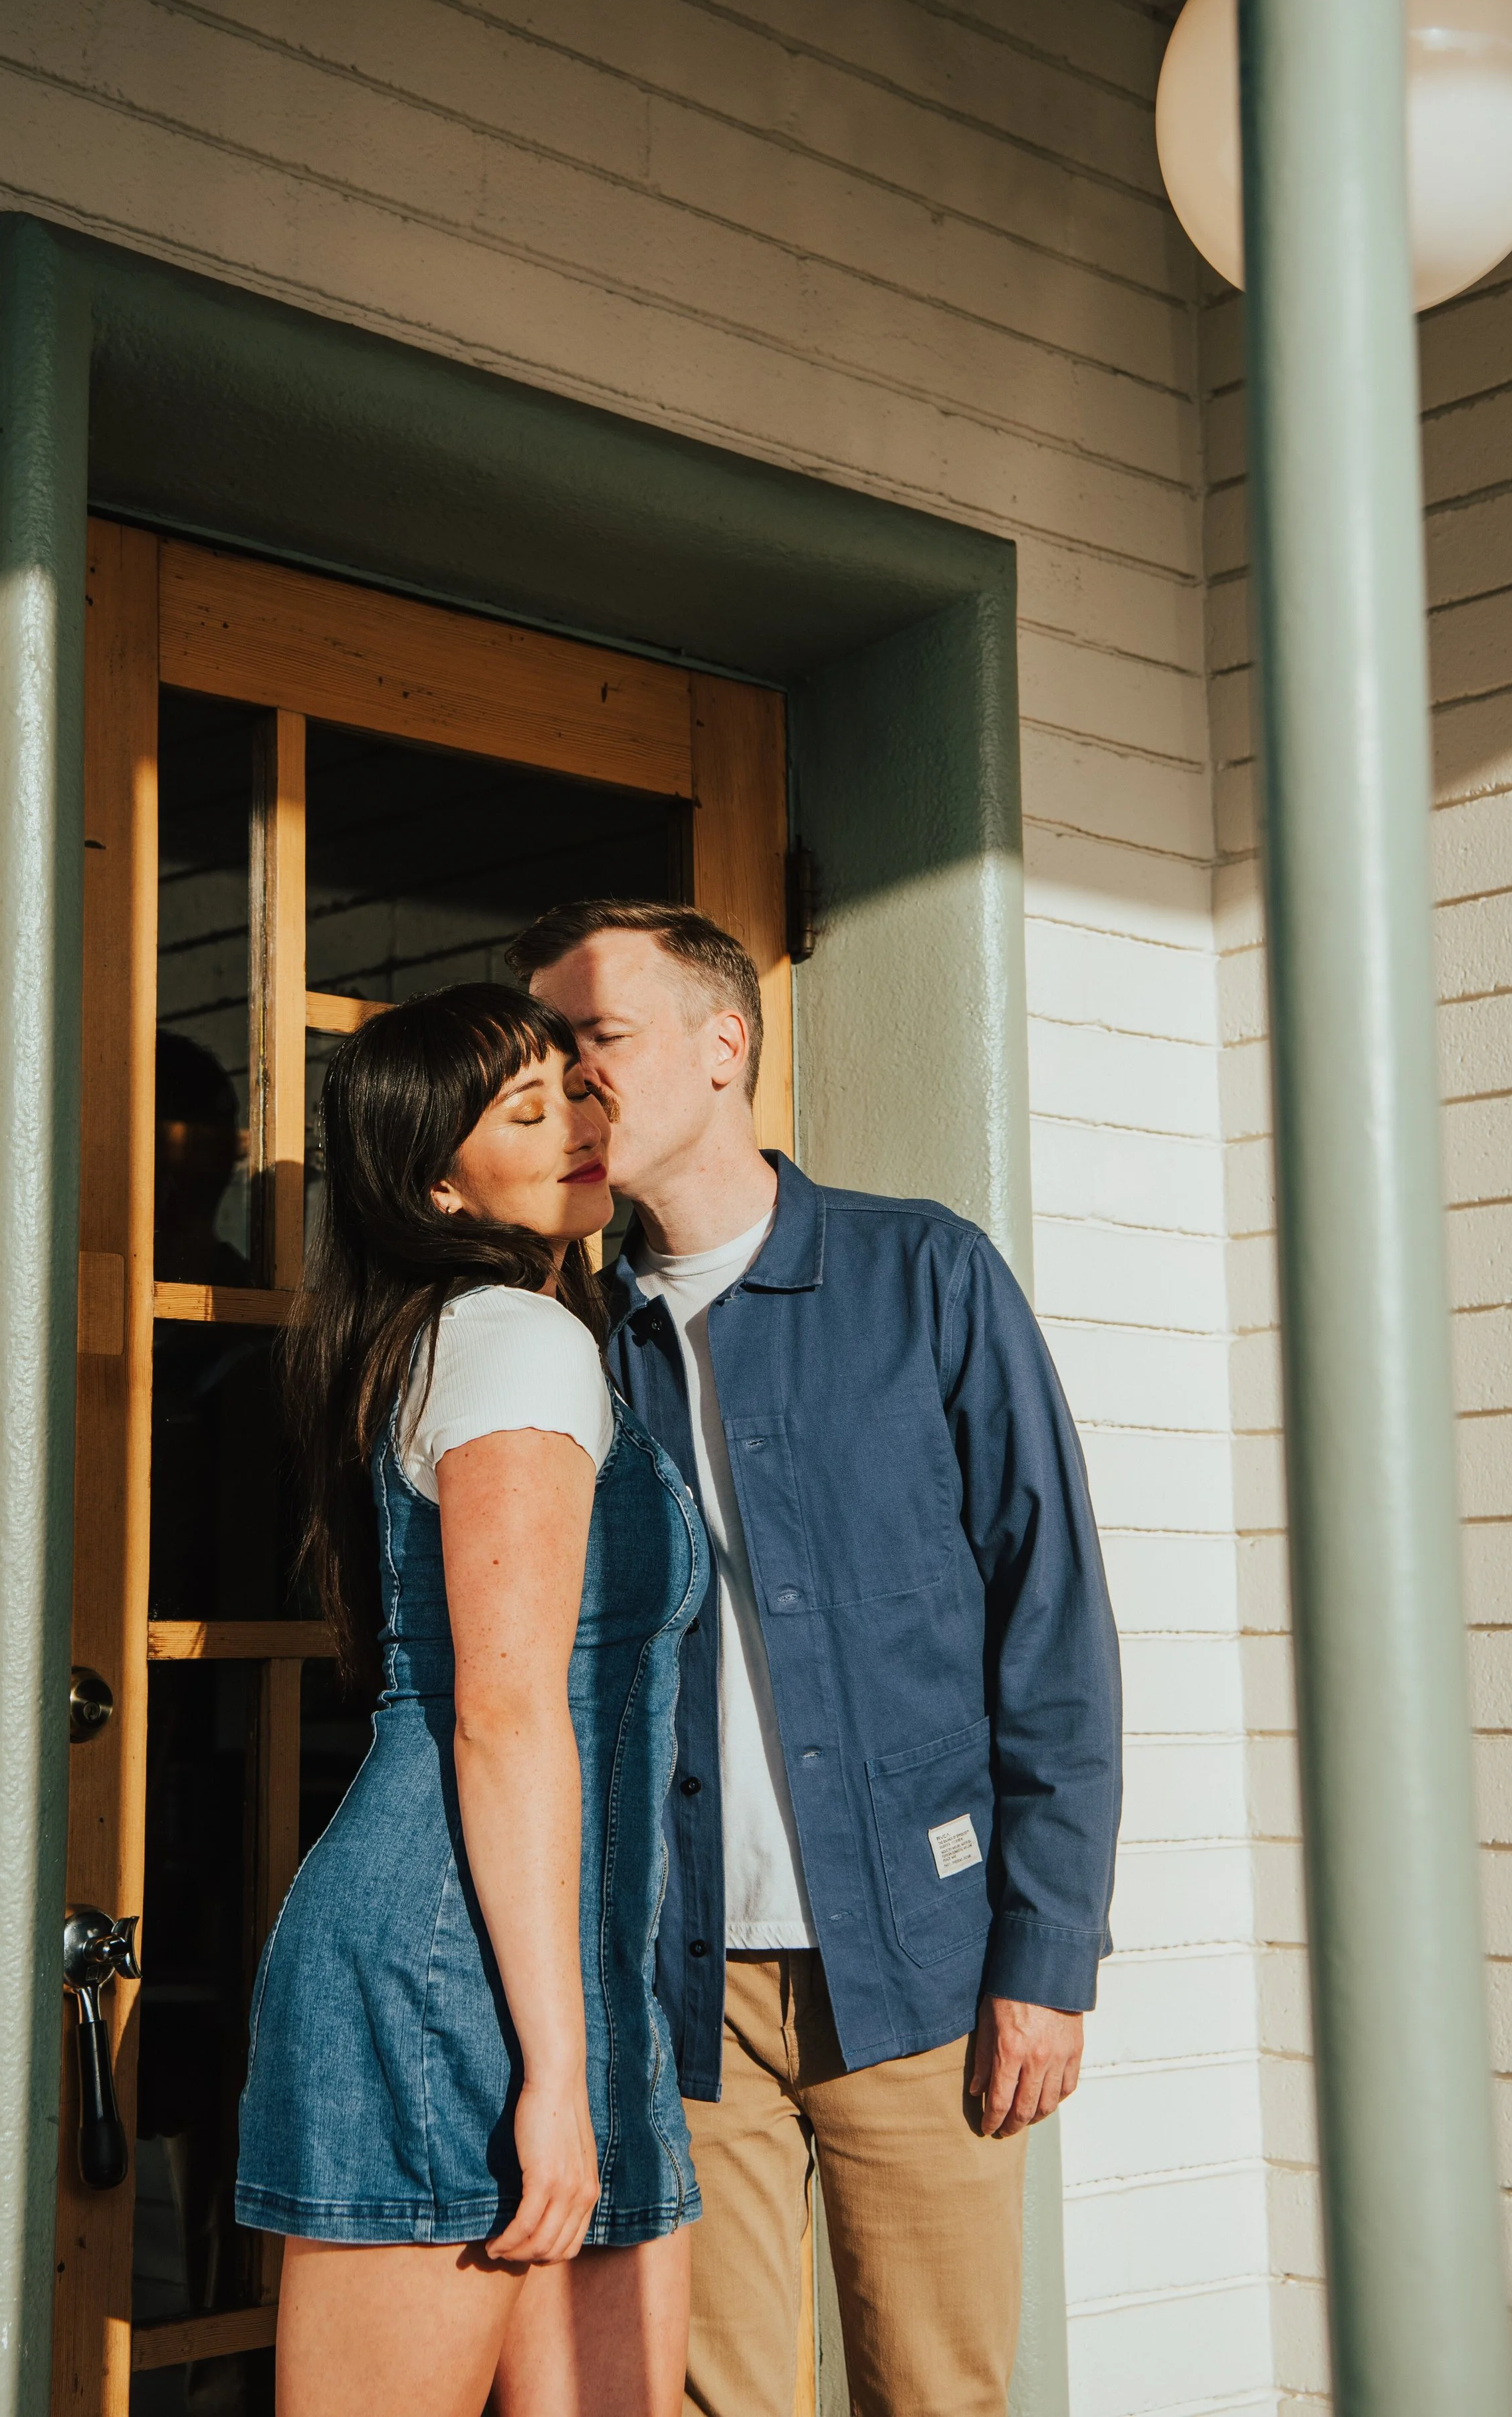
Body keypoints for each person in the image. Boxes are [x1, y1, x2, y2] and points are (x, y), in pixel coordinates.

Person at [510, 901, 1123, 2417]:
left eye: (597, 1040)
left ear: (725, 1045)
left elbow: (1049, 1623)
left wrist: (1045, 1956)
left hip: (918, 1970)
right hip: (680, 1989)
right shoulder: (568, 1342)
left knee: (935, 2393)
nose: (567, 1083)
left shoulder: (927, 1278)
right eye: (546, 1055)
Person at [234, 984, 708, 2417]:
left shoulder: (500, 1333)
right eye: (525, 1109)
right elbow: (503, 1714)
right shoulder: (512, 1337)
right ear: (438, 1181)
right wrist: (556, 2072)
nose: (576, 1121)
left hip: (537, 1963)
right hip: (460, 1977)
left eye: (574, 1089)